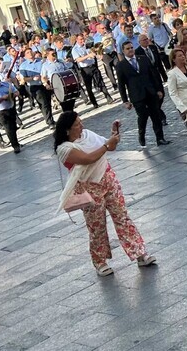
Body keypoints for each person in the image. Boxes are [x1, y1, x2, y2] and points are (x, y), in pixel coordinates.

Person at [55, 113, 156, 276]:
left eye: (81, 122)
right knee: (97, 226)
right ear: (67, 130)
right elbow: (88, 158)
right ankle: (99, 261)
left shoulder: (88, 135)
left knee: (122, 217)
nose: (81, 126)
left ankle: (139, 253)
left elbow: (110, 146)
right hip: (88, 187)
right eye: (77, 124)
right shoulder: (64, 149)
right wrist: (107, 145)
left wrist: (113, 136)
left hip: (108, 178)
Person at [116, 41, 169, 148]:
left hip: (150, 92)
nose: (130, 50)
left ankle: (160, 138)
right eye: (127, 48)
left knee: (156, 115)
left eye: (131, 47)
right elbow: (121, 84)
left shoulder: (143, 59)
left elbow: (152, 75)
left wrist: (158, 89)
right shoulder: (121, 65)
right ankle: (141, 135)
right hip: (137, 96)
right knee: (143, 116)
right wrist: (125, 100)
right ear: (123, 51)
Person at [72, 35, 111, 107]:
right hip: (85, 69)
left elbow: (94, 52)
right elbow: (78, 60)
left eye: (83, 39)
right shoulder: (75, 49)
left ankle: (108, 97)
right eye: (80, 39)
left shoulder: (88, 45)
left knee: (101, 82)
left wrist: (98, 55)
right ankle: (94, 103)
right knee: (89, 87)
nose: (82, 41)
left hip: (93, 66)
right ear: (77, 40)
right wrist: (88, 56)